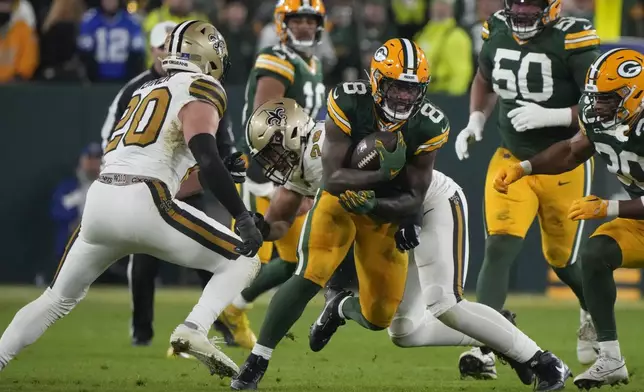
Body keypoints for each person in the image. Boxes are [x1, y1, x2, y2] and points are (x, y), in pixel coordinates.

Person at [235, 97, 573, 391]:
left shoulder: (331, 147)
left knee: (446, 304)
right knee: (403, 330)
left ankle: (544, 362)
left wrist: (406, 215)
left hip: (426, 203)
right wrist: (257, 228)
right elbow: (279, 221)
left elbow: (399, 179)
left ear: (292, 135)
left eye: (273, 151)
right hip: (383, 218)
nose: (272, 163)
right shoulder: (301, 166)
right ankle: (497, 335)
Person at [0, 21, 263, 378]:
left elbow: (177, 174)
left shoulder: (144, 90)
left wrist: (210, 176)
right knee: (243, 260)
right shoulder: (201, 86)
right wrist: (242, 216)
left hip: (102, 200)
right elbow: (206, 154)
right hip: (145, 201)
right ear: (207, 55)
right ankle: (194, 328)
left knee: (54, 299)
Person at [453, 0, 601, 374]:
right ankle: (485, 349)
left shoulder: (573, 38)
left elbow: (602, 102)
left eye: (529, 4)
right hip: (511, 157)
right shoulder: (497, 28)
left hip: (565, 161)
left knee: (563, 261)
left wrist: (556, 114)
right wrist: (475, 118)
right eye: (515, 2)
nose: (520, 11)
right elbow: (484, 78)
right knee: (499, 246)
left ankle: (592, 308)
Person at [493, 47, 642, 389]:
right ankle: (610, 358)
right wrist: (524, 167)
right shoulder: (601, 119)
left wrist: (607, 208)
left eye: (609, 99)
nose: (598, 106)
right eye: (595, 98)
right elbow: (572, 151)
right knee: (594, 254)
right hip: (641, 221)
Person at [99, 20, 245, 347]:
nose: (166, 53)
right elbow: (111, 137)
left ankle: (221, 325)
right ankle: (142, 333)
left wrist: (227, 160)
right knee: (144, 263)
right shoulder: (139, 87)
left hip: (186, 183)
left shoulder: (199, 86)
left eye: (171, 46)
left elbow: (221, 140)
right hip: (143, 186)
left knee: (206, 257)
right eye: (160, 47)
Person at [217, 0, 327, 349]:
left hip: (295, 170)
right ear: (283, 23)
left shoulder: (313, 62)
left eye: (311, 21)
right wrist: (293, 173)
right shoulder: (276, 58)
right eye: (298, 20)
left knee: (295, 262)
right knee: (248, 257)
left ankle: (231, 311)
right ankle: (196, 326)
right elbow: (267, 121)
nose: (306, 27)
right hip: (268, 170)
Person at [51, 143, 103, 260]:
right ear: (81, 160)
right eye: (89, 158)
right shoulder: (68, 187)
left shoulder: (111, 187)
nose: (93, 163)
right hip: (72, 244)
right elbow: (55, 211)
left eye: (97, 158)